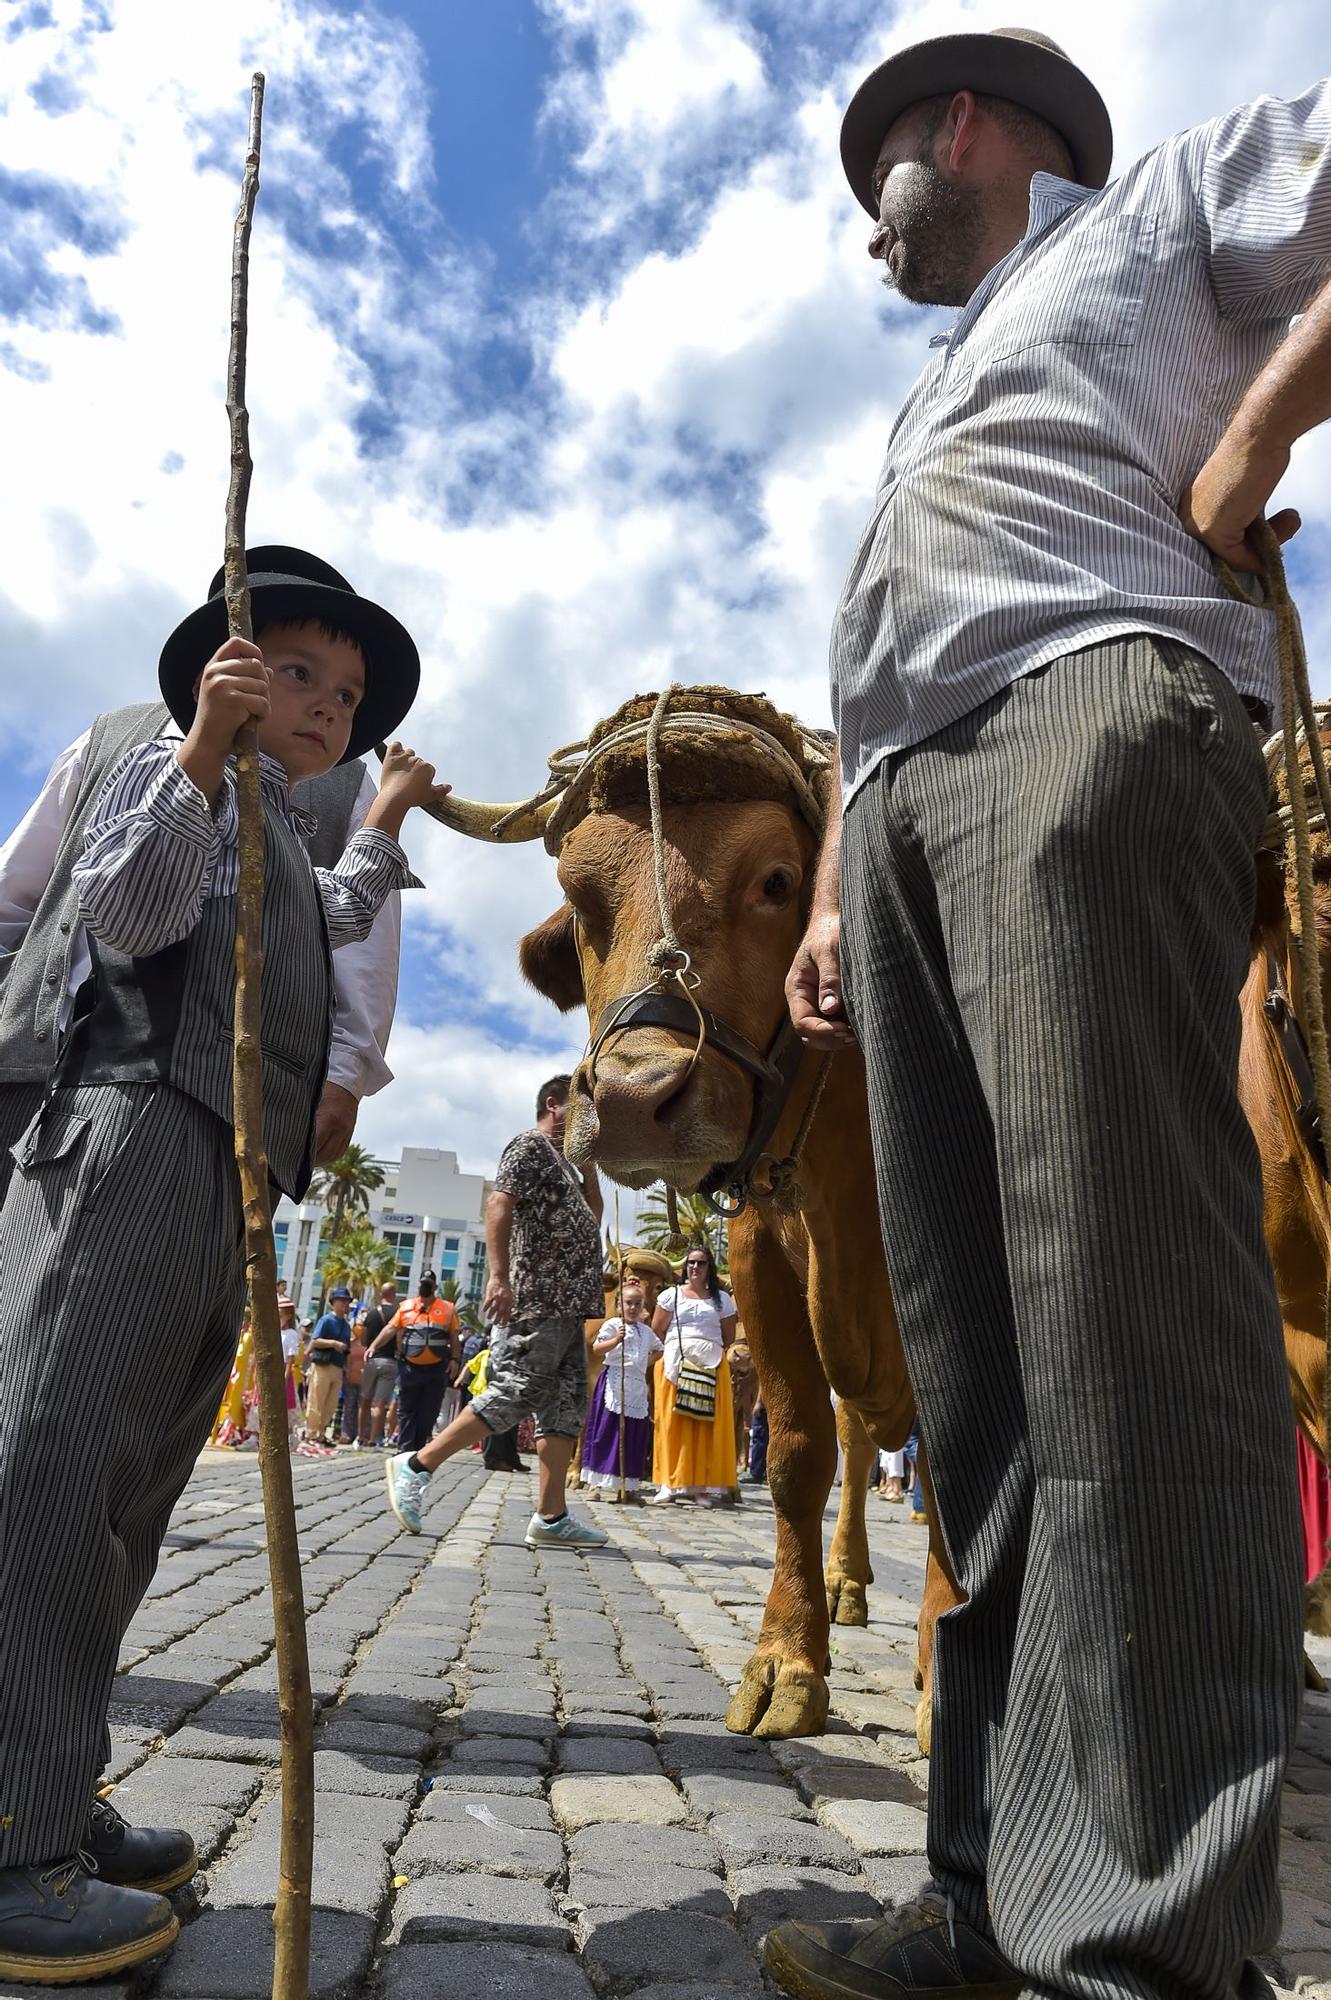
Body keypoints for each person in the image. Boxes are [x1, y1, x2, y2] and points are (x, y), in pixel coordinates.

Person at [770, 33, 1326, 2000]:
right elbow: (873, 661)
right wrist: (838, 860)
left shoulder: (1169, 202)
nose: (867, 233)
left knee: (1123, 1319)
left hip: (1088, 710)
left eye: (875, 183)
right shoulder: (932, 394)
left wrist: (1251, 439)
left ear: (958, 130)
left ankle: (1145, 1949)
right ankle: (987, 1896)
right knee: (978, 1373)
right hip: (912, 801)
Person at [0, 545, 444, 1983]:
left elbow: (339, 913)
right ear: (227, 670)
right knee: (54, 1471)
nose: (330, 704)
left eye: (350, 690)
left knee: (130, 1495)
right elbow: (123, 913)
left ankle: (54, 1787)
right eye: (301, 673)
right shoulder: (169, 777)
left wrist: (379, 817)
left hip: (228, 1170)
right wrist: (196, 749)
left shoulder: (289, 827)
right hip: (125, 1139)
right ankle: (10, 1834)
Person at [383, 1074, 608, 1547]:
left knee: (565, 1405)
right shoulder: (530, 1146)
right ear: (553, 1105)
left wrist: (588, 1166)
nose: (591, 1116)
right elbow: (499, 1203)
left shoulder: (568, 1165)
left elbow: (593, 1217)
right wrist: (498, 1276)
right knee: (517, 1389)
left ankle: (551, 1517)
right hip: (535, 1296)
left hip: (568, 1308)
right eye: (581, 1107)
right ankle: (416, 1463)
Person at [648, 1247, 739, 1506]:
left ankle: (701, 1487)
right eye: (691, 1263)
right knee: (671, 1422)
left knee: (706, 1426)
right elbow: (658, 1330)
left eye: (700, 1263)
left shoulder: (721, 1299)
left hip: (710, 1365)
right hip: (675, 1363)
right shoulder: (671, 1295)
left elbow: (728, 1337)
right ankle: (668, 1482)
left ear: (709, 1267)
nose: (695, 1267)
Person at [580, 1277, 663, 1500]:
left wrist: (645, 1362)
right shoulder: (612, 1325)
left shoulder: (646, 1332)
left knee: (633, 1437)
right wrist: (616, 1340)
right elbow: (597, 1349)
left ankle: (628, 1486)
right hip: (614, 1383)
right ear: (619, 1305)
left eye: (637, 1303)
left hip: (635, 1387)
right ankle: (595, 1485)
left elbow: (659, 1349)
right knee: (606, 1433)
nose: (633, 1308)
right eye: (628, 1303)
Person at [365, 1268, 460, 1453]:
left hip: (436, 1369)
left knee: (429, 1411)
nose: (424, 1287)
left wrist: (455, 1359)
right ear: (417, 1285)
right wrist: (373, 1346)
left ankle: (419, 1447)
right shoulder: (405, 1307)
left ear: (435, 1287)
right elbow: (390, 1329)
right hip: (410, 1368)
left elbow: (454, 1337)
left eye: (428, 1285)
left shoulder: (448, 1309)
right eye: (422, 1284)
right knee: (406, 1409)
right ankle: (405, 1448)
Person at [304, 1287, 353, 1447]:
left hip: (338, 1367)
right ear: (334, 1302)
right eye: (342, 1300)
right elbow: (315, 1340)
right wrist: (333, 1343)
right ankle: (311, 1432)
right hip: (322, 1365)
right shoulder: (326, 1320)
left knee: (331, 1403)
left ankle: (322, 1433)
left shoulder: (346, 1325)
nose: (344, 1304)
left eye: (346, 1301)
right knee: (316, 1399)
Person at [357, 1283, 399, 1446]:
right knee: (380, 1403)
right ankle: (374, 1439)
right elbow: (400, 1338)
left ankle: (360, 1437)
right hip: (390, 1361)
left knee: (365, 1400)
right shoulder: (398, 1314)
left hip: (371, 1359)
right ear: (393, 1294)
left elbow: (363, 1340)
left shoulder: (372, 1314)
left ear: (381, 1294)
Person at [340, 1310, 369, 1445]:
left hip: (365, 1381)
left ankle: (362, 1434)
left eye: (361, 1325)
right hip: (350, 1380)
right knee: (349, 1407)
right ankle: (347, 1433)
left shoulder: (369, 1344)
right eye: (357, 1325)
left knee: (363, 1407)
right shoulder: (349, 1344)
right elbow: (345, 1361)